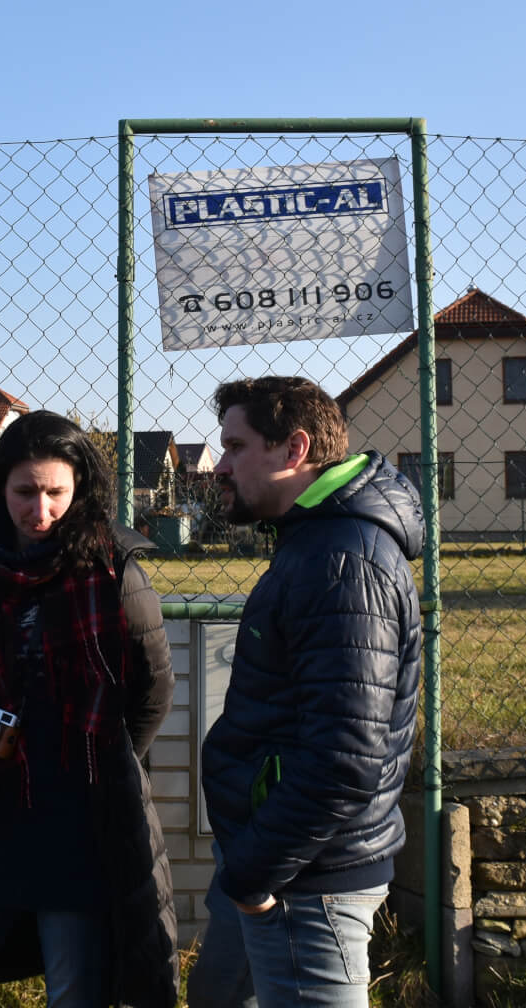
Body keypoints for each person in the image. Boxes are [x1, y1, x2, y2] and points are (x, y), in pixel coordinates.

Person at [0, 410, 178, 1008]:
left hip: (74, 823)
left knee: (75, 993)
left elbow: (154, 689)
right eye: (25, 492)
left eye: (57, 492)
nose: (41, 510)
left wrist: (102, 764)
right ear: (0, 485)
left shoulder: (110, 567)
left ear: (79, 488)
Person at [185, 377, 423, 1008]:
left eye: (236, 447)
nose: (221, 466)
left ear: (294, 449)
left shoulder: (341, 560)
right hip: (277, 859)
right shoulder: (315, 543)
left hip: (308, 876)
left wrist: (255, 875)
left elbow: (344, 757)